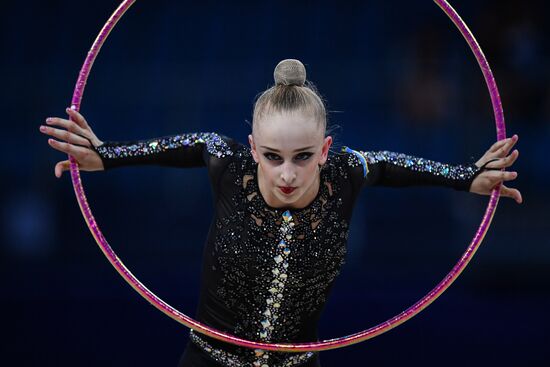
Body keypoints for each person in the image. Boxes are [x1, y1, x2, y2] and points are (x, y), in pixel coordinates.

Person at [40, 59, 521, 367]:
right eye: (272, 156)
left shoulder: (346, 174)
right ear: (252, 148)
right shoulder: (228, 164)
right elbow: (182, 144)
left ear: (326, 150)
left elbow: (399, 165)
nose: (287, 173)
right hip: (209, 361)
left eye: (303, 157)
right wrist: (106, 156)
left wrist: (468, 177)